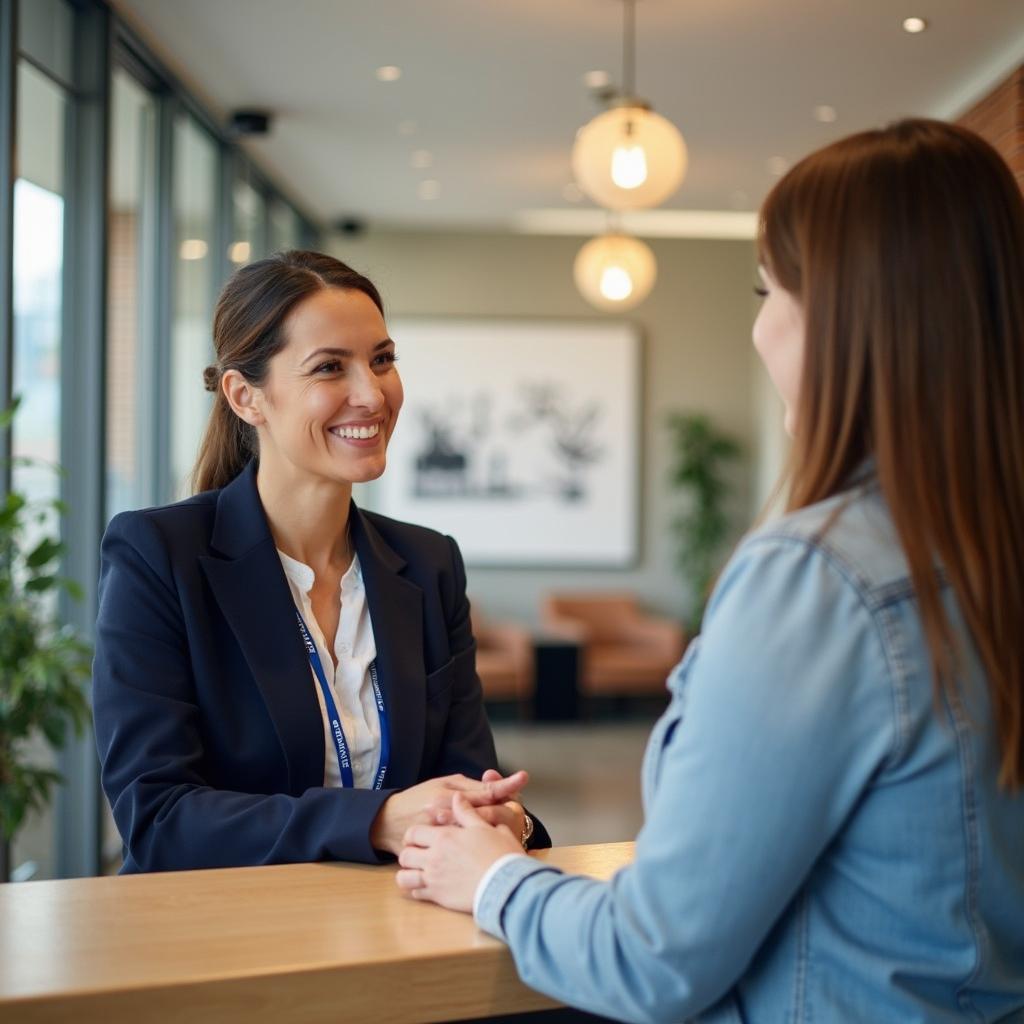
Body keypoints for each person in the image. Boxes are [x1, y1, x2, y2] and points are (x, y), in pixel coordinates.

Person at [395, 119, 1024, 1022]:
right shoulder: (985, 552)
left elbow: (654, 960)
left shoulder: (819, 580)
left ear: (843, 320)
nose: (761, 326)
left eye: (769, 289)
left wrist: (493, 877)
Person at [93, 250, 549, 872]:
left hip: (397, 926)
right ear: (246, 396)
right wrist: (379, 820)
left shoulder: (428, 563)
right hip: (220, 937)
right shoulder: (159, 557)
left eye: (382, 360)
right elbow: (158, 818)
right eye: (330, 367)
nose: (372, 393)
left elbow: (467, 776)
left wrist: (503, 814)